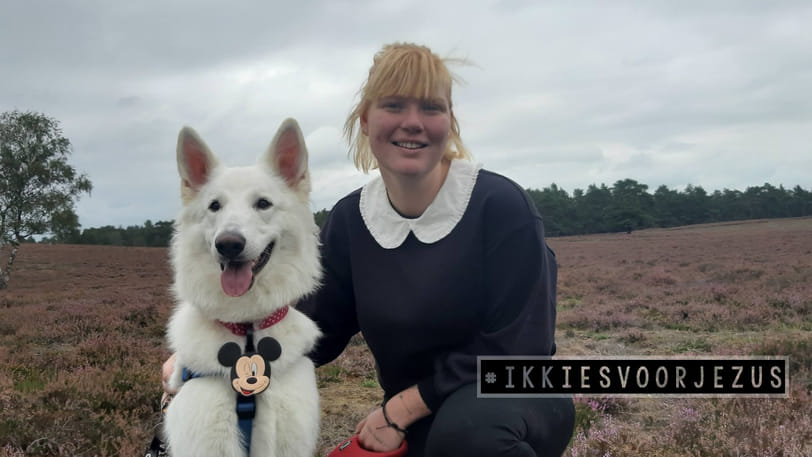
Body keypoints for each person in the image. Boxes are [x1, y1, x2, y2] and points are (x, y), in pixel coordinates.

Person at [164, 42, 574, 456]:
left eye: (431, 108)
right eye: (394, 106)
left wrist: (402, 407)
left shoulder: (500, 206)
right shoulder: (352, 220)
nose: (412, 123)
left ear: (449, 121)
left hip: (516, 394)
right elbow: (312, 327)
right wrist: (209, 357)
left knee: (470, 439)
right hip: (422, 416)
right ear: (365, 120)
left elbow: (521, 348)